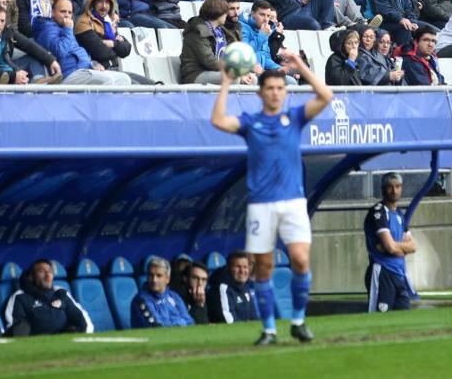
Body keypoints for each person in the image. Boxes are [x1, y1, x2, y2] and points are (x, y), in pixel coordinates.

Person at [210, 51, 331, 345]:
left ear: (285, 92)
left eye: (280, 88)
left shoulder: (295, 117)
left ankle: (299, 322)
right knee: (263, 267)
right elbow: (217, 120)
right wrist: (226, 80)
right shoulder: (251, 122)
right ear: (260, 92)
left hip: (293, 202)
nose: (275, 92)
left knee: (301, 260)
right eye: (270, 88)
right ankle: (268, 329)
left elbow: (326, 96)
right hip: (261, 205)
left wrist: (300, 65)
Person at [363, 172, 418, 313]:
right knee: (379, 317)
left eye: (398, 186)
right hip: (382, 273)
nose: (394, 191)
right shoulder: (378, 212)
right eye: (390, 187)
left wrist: (395, 246)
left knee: (404, 314)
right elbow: (390, 247)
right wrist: (397, 248)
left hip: (399, 274)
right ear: (383, 189)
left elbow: (413, 246)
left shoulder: (399, 214)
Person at [4, 259, 93, 336]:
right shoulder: (20, 296)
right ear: (31, 276)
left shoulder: (60, 293)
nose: (48, 275)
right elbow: (16, 329)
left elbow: (80, 319)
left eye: (50, 271)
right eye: (42, 272)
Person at [130, 256, 194, 328]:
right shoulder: (141, 300)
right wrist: (180, 323)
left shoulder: (174, 297)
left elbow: (190, 322)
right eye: (151, 275)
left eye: (159, 276)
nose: (154, 280)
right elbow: (156, 327)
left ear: (167, 279)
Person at [206, 251, 256, 324]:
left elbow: (253, 316)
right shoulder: (222, 287)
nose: (242, 271)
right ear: (228, 268)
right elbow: (227, 320)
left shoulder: (245, 286)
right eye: (238, 267)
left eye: (245, 267)